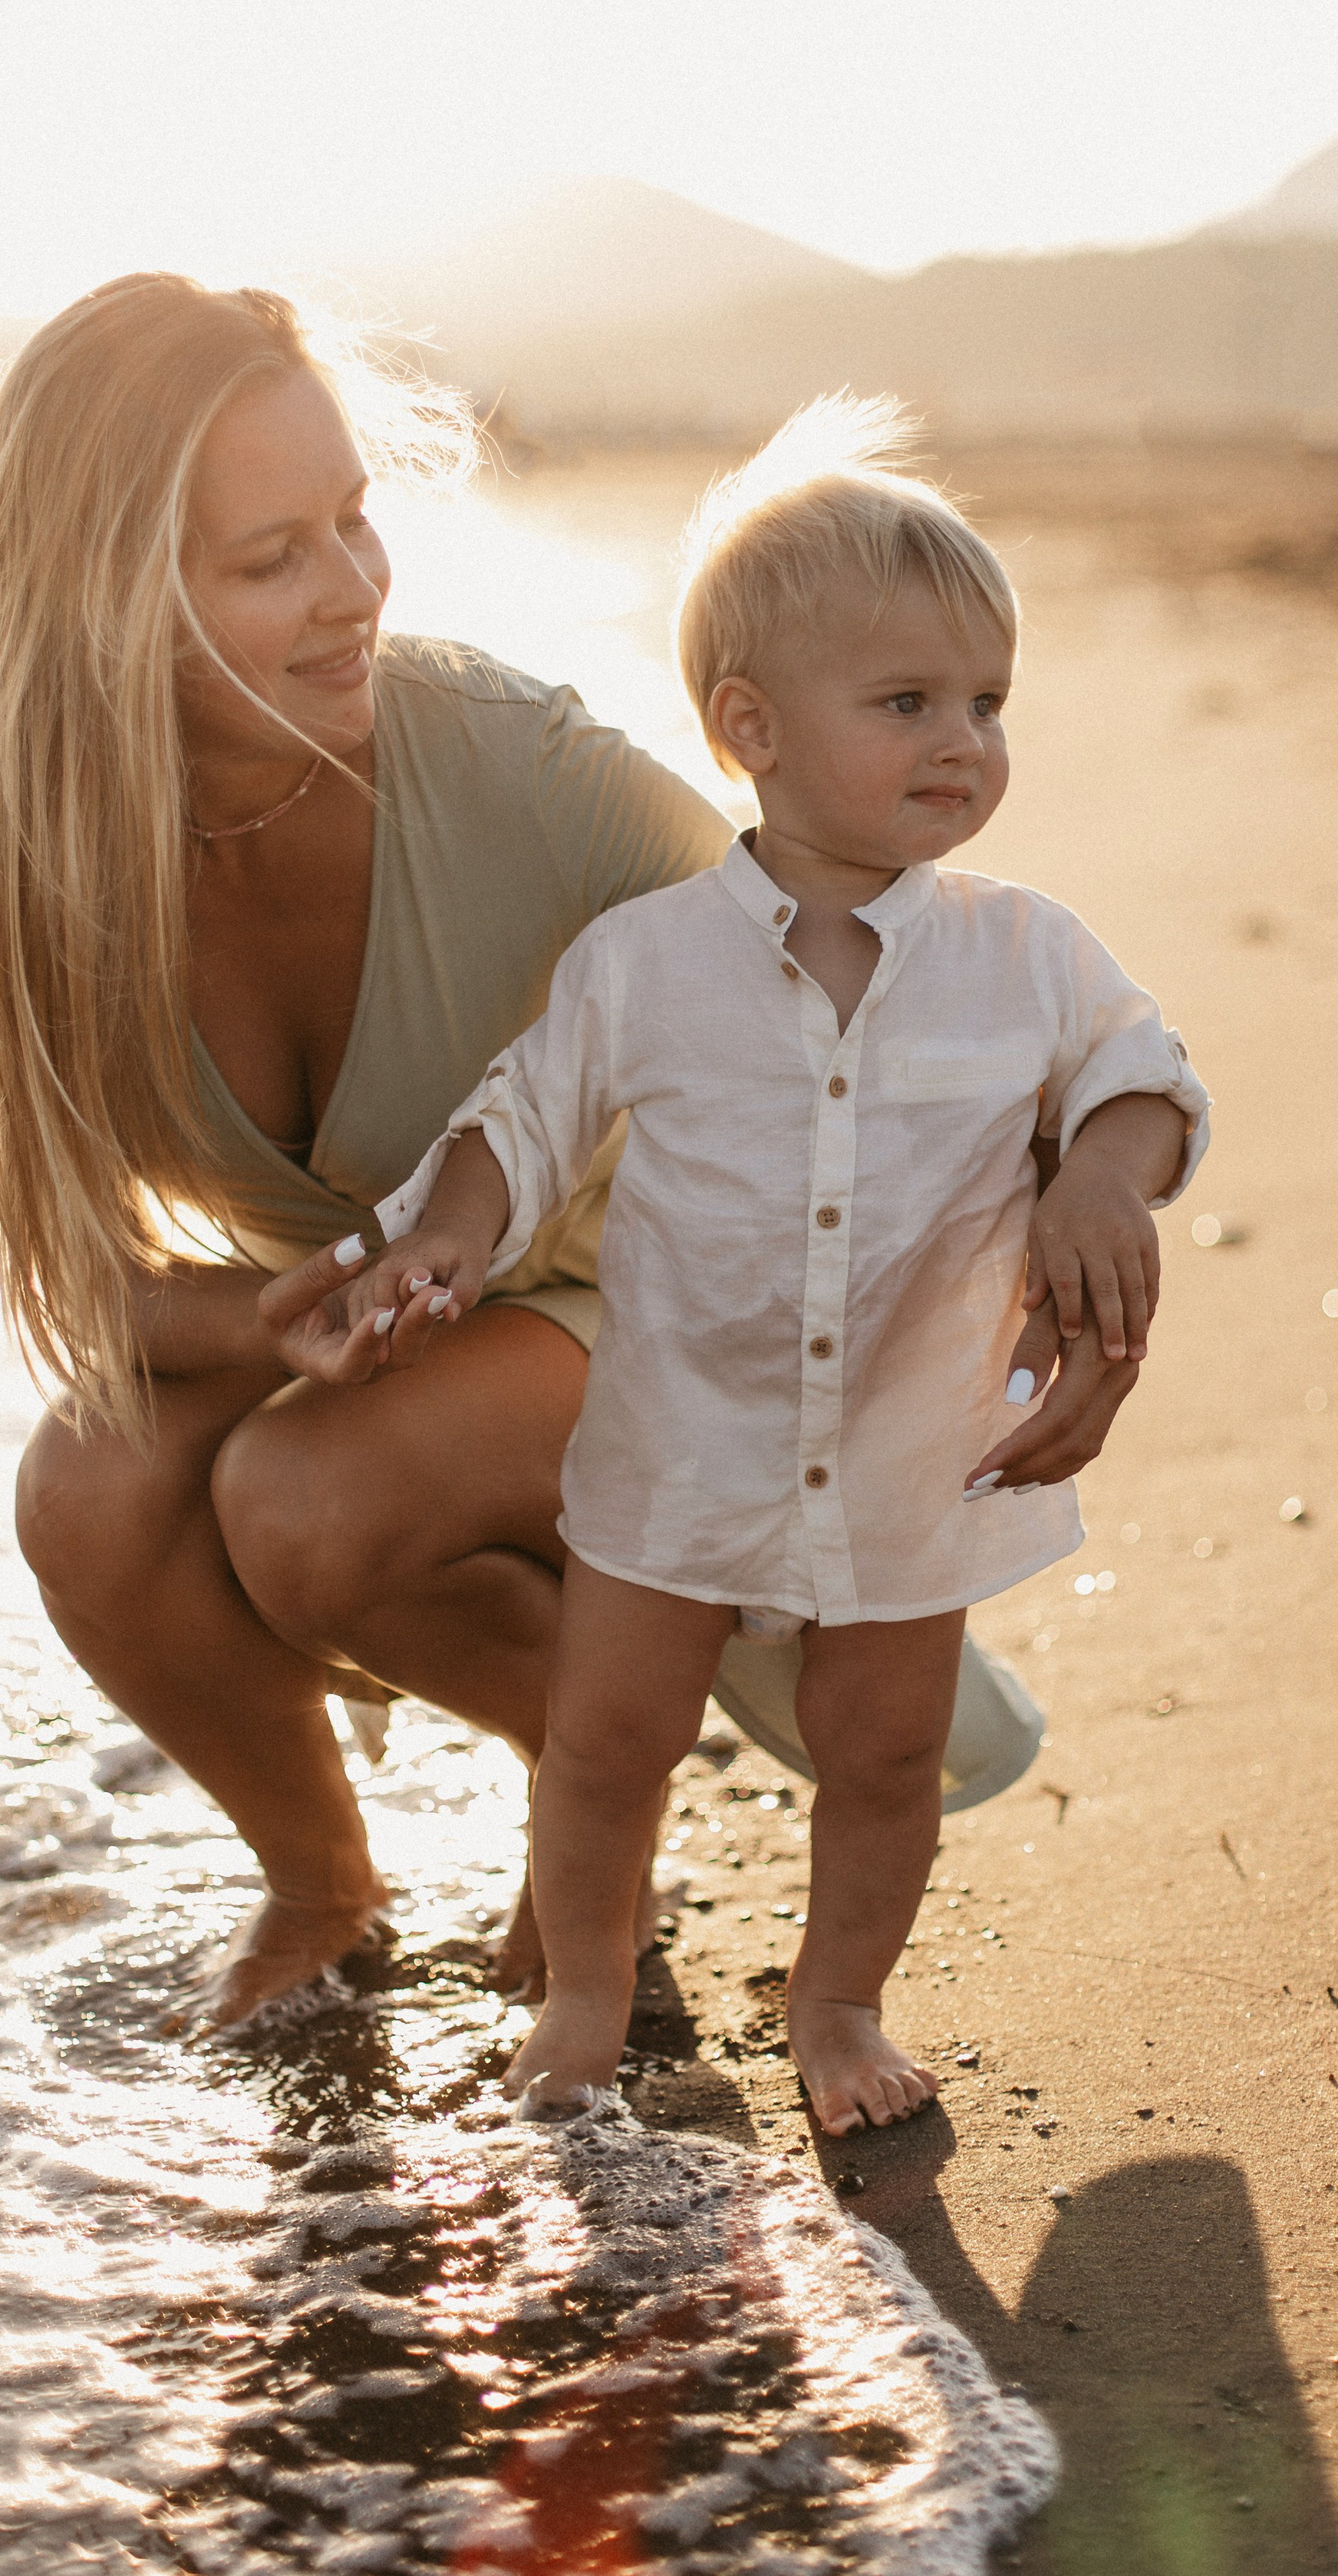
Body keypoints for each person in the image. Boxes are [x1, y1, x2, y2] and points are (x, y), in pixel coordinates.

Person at [0, 288, 1156, 2035]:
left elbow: (883, 953)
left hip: (654, 1306)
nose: (354, 587)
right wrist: (276, 1318)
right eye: (273, 557)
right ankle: (321, 1885)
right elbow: (84, 1280)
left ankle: (599, 1786)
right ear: (102, 591)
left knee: (304, 1498)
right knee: (88, 1496)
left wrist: (1083, 1194)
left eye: (355, 519)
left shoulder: (507, 764)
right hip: (403, 1317)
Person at [331, 402, 1210, 2133]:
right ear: (751, 728)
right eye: (906, 702)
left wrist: (1107, 1179)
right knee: (607, 1740)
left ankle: (838, 2006)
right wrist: (443, 1236)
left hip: (905, 1447)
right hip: (679, 1439)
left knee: (884, 1753)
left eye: (987, 703)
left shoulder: (1027, 952)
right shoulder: (646, 962)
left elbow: (1143, 1073)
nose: (962, 742)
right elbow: (524, 1116)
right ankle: (587, 1996)